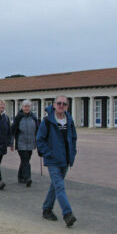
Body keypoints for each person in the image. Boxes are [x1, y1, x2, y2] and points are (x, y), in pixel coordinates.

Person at [37, 95, 77, 227]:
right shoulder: (47, 121)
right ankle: (67, 214)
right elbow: (40, 140)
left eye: (64, 104)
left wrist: (73, 153)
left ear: (67, 106)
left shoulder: (69, 121)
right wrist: (49, 154)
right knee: (60, 186)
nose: (61, 106)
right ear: (54, 105)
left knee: (55, 185)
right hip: (53, 160)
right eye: (59, 103)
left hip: (65, 160)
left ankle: (47, 209)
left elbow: (73, 138)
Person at [11, 100, 39, 187]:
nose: (27, 108)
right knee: (25, 160)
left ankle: (20, 177)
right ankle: (28, 178)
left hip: (31, 143)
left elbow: (38, 130)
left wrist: (39, 142)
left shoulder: (33, 117)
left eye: (28, 106)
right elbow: (12, 130)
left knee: (25, 161)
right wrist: (11, 143)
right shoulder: (18, 117)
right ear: (22, 107)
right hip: (21, 143)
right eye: (25, 106)